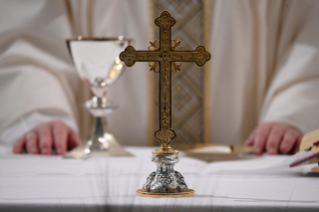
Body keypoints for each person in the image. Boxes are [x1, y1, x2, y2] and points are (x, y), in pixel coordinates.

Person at [0, 0, 318, 155]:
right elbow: (30, 35)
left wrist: (291, 115)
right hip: (99, 168)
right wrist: (39, 112)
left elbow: (310, 37)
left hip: (248, 168)